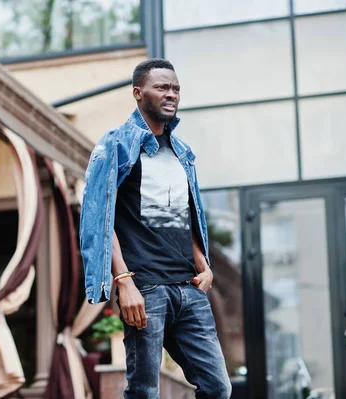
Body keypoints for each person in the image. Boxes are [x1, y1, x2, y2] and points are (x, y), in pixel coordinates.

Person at [79, 59, 232, 399]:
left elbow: (184, 214)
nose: (171, 94)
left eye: (175, 88)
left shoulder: (182, 152)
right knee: (144, 391)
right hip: (145, 287)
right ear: (138, 93)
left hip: (189, 289)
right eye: (162, 87)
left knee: (218, 387)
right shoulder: (116, 144)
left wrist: (202, 262)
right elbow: (99, 217)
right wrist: (123, 282)